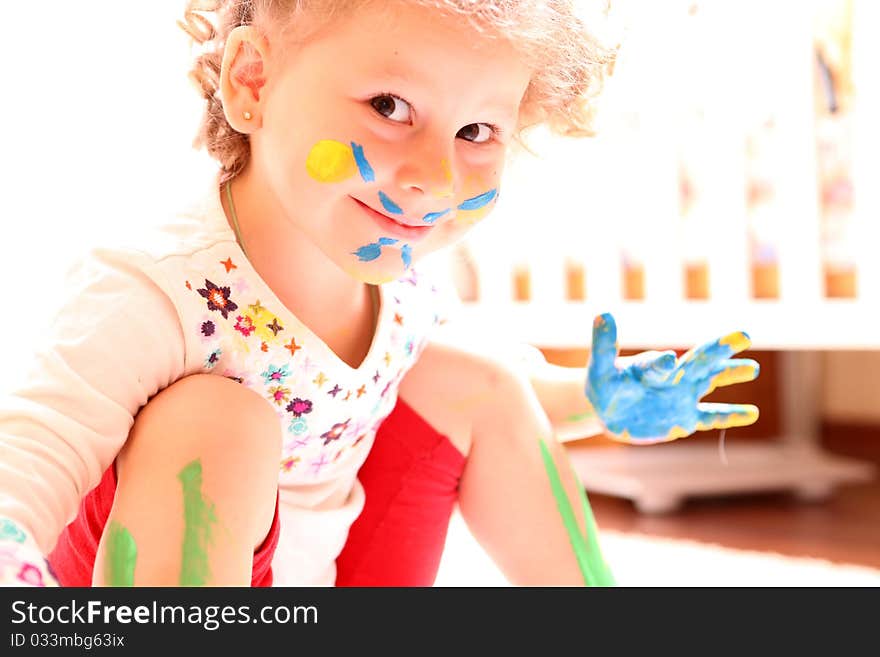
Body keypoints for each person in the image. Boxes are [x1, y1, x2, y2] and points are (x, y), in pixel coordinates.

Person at [0, 0, 759, 588]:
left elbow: (512, 397)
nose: (434, 177)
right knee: (220, 418)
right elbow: (28, 460)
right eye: (390, 107)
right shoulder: (152, 287)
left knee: (477, 376)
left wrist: (595, 397)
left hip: (322, 574)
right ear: (251, 83)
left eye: (476, 133)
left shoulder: (402, 286)